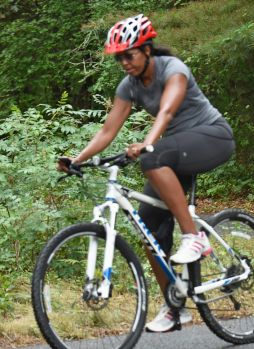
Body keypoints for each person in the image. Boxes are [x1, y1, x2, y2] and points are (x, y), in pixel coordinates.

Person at [56, 14, 235, 332]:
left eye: (130, 54)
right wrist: (77, 159)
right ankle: (175, 304)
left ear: (148, 49)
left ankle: (193, 235)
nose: (124, 62)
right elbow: (108, 131)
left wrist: (148, 144)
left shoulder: (174, 69)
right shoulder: (129, 86)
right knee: (148, 224)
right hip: (175, 148)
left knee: (152, 160)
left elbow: (166, 111)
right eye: (119, 57)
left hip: (212, 137)